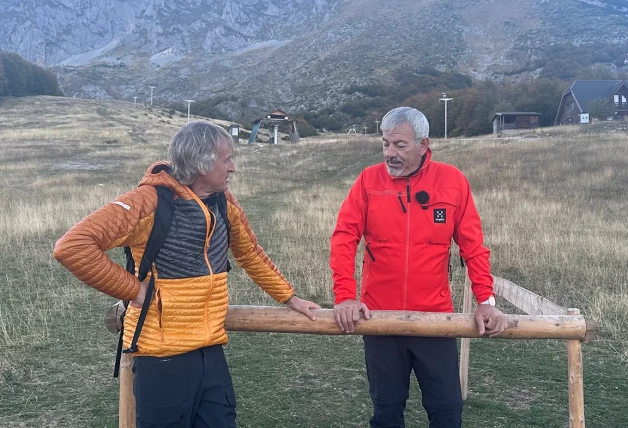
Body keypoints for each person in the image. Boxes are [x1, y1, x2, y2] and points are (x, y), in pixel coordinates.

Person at [54, 121, 320, 428]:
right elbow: (72, 246)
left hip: (210, 349)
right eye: (226, 159)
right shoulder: (149, 201)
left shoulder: (224, 202)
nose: (232, 167)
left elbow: (249, 253)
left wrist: (290, 298)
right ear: (202, 163)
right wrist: (134, 290)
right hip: (161, 356)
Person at [330, 107, 507, 428]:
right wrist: (345, 295)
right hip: (380, 319)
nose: (389, 153)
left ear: (424, 144)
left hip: (436, 319)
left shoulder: (452, 182)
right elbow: (344, 238)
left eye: (399, 145)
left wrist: (486, 301)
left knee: (447, 410)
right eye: (385, 144)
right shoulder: (368, 181)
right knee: (386, 410)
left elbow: (474, 247)